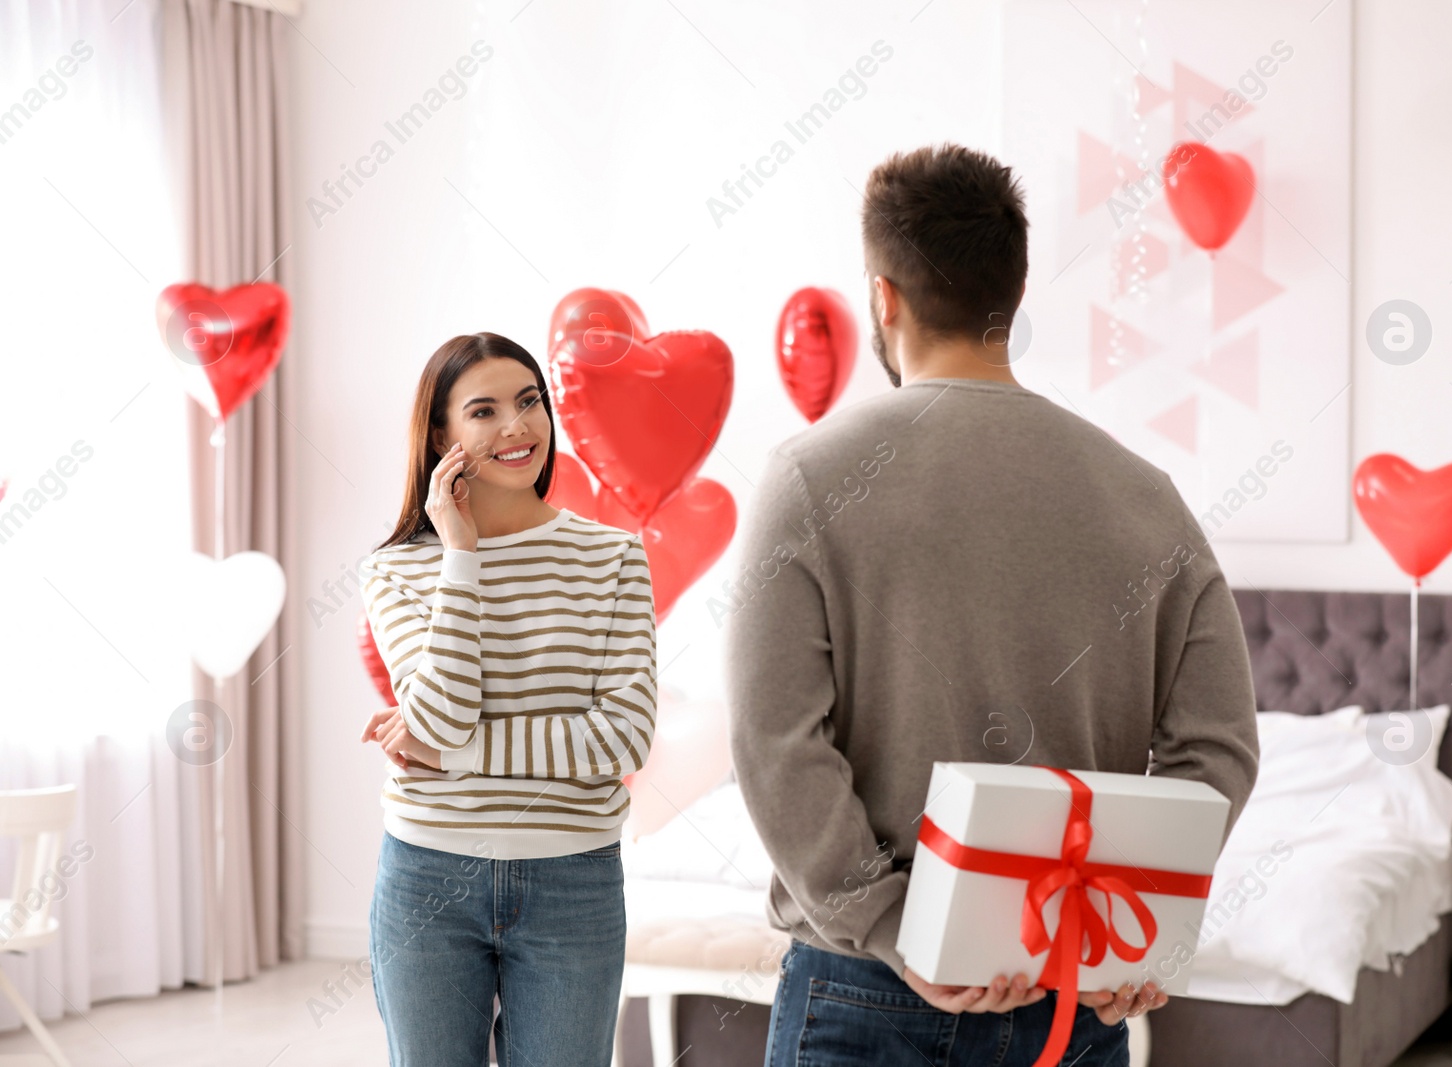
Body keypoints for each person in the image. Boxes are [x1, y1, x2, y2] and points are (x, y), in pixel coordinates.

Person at [725, 144, 1261, 1067]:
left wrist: (899, 925)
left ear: (883, 299)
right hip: (1073, 990)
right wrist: (1122, 929)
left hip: (866, 988)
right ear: (1008, 301)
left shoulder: (808, 477)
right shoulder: (1145, 495)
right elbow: (1218, 746)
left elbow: (776, 741)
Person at [357, 331, 656, 1067]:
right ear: (441, 436)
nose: (516, 427)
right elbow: (440, 713)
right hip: (427, 875)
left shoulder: (613, 556)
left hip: (573, 879)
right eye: (483, 410)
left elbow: (621, 740)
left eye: (529, 402)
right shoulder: (395, 570)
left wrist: (450, 753)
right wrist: (460, 553)